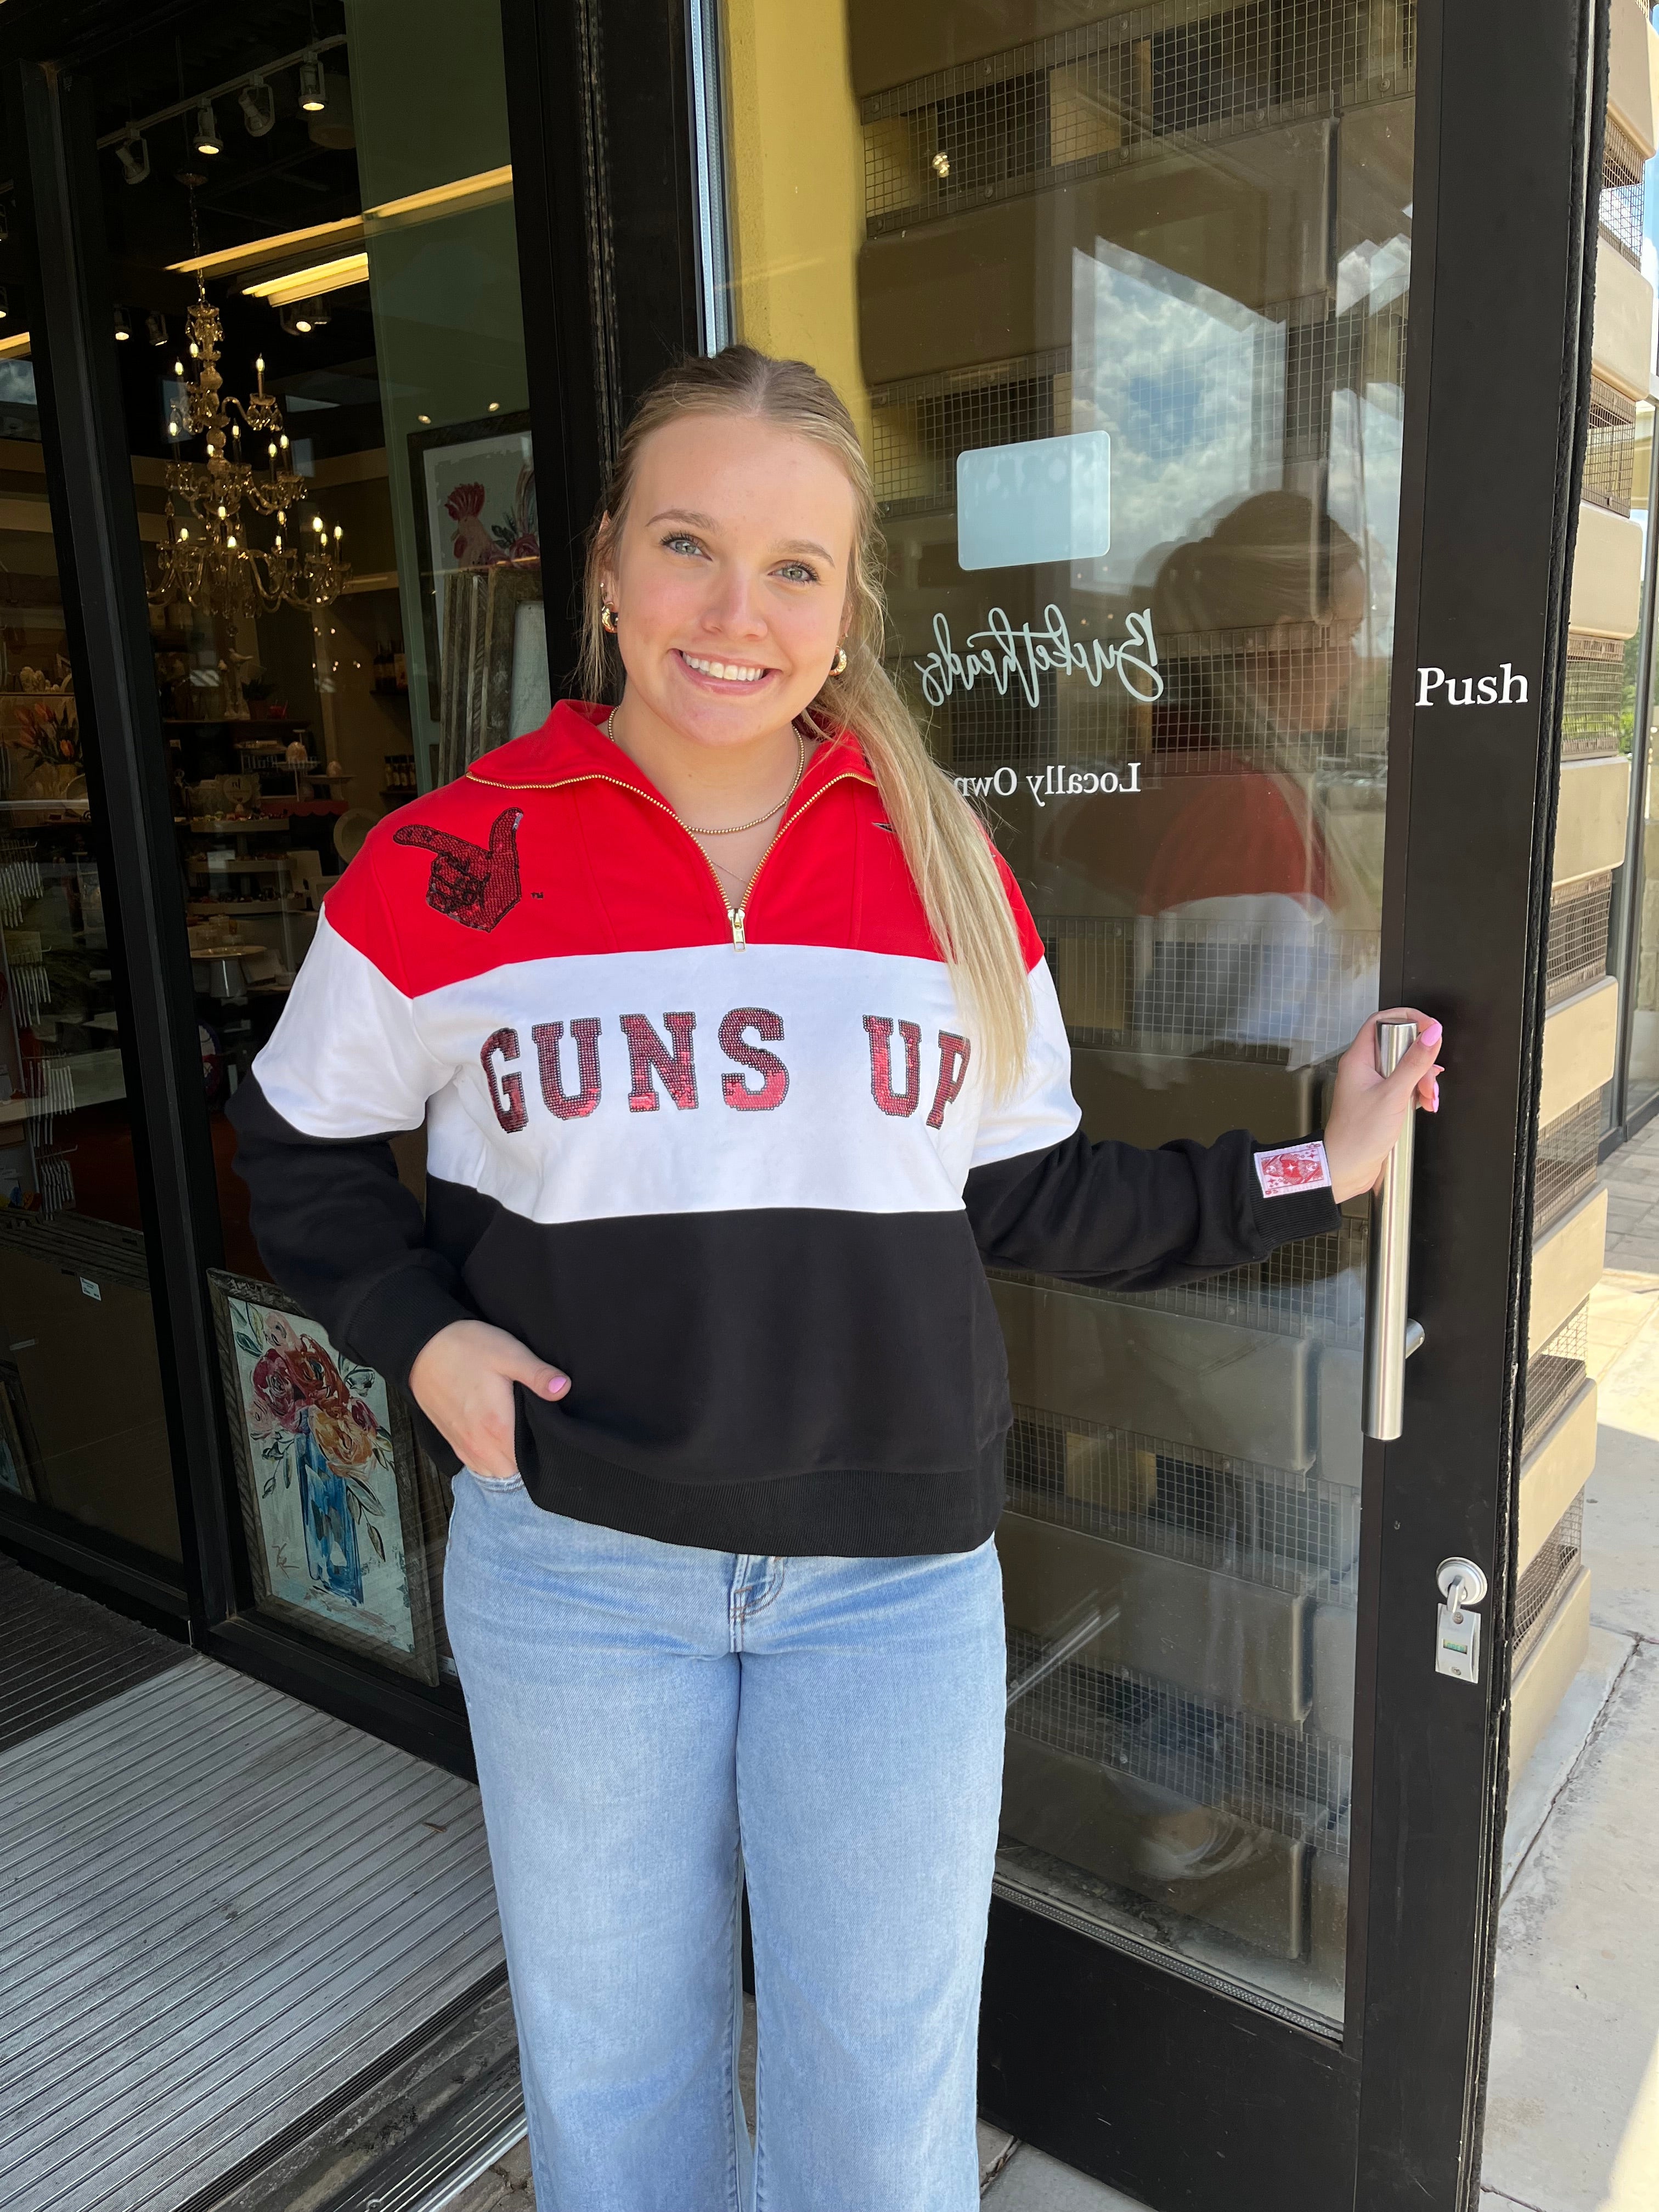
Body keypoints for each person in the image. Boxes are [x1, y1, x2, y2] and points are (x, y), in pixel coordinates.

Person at [228, 346, 1442, 2212]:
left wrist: (1318, 1162)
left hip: (886, 1599)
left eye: (797, 566)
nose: (739, 612)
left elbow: (1042, 1201)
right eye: (691, 545)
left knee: (880, 2121)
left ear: (849, 600)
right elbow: (296, 1138)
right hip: (577, 1576)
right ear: (609, 566)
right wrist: (422, 1335)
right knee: (618, 2088)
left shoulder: (946, 866)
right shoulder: (448, 865)